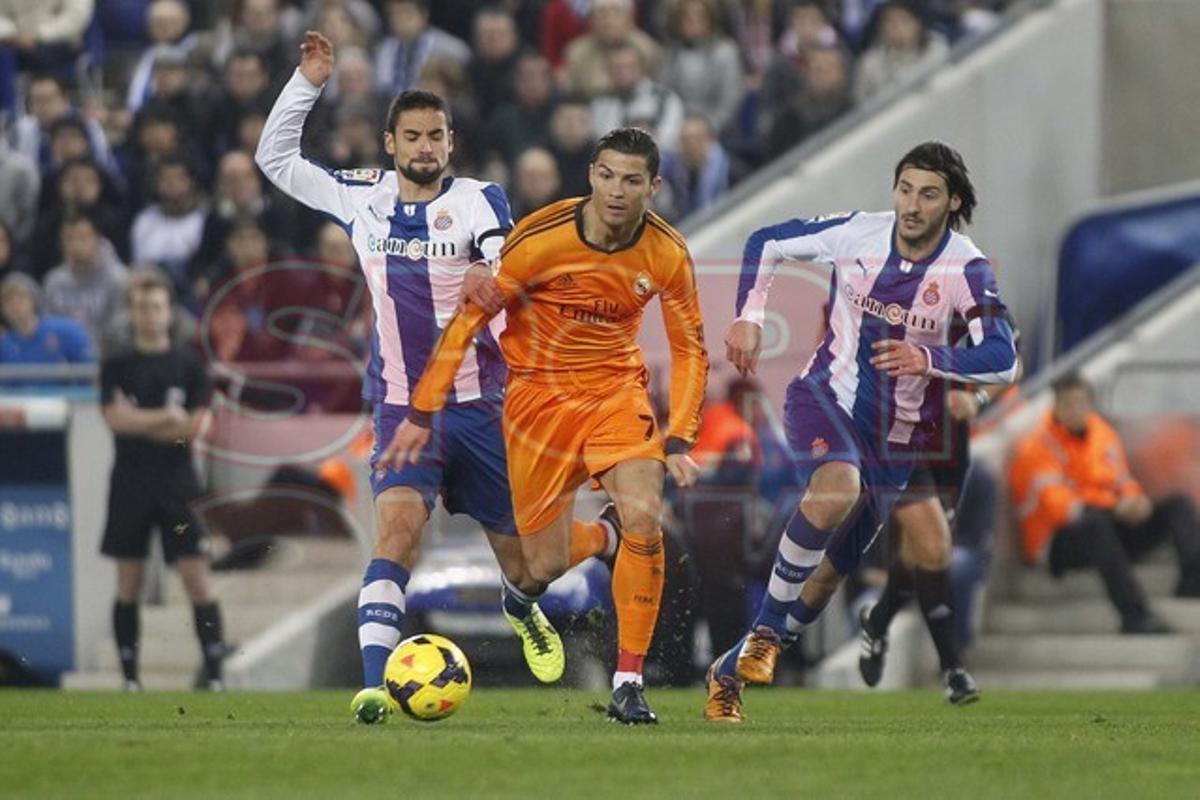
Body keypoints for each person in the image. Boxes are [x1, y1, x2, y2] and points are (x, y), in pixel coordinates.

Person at [256, 31, 620, 723]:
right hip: (400, 408)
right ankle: (372, 686)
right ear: (390, 144)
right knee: (395, 533)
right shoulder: (360, 197)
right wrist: (307, 82)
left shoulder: (482, 199)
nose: (425, 147)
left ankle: (530, 601)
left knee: (530, 567)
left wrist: (490, 270)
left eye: (437, 136)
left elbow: (497, 251)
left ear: (451, 144)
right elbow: (273, 159)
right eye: (413, 136)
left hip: (485, 409)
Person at [385, 127, 709, 724]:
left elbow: (690, 347)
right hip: (536, 405)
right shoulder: (539, 237)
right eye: (607, 175)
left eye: (632, 180)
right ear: (591, 174)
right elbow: (469, 320)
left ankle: (629, 682)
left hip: (616, 394)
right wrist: (424, 409)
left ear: (653, 187)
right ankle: (596, 545)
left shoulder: (667, 252)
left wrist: (682, 434)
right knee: (542, 567)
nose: (616, 191)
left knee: (645, 518)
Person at [706, 141, 1018, 722]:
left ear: (952, 202)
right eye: (905, 189)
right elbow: (766, 242)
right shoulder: (857, 232)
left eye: (928, 194)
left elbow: (1004, 358)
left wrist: (930, 362)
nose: (912, 205)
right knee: (835, 488)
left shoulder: (965, 269)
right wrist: (749, 317)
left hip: (897, 442)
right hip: (825, 396)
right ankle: (767, 635)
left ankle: (728, 673)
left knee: (823, 582)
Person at [98, 272, 229, 691]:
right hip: (130, 482)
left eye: (156, 306)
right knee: (128, 582)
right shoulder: (116, 366)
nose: (149, 315)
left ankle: (213, 673)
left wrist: (143, 423)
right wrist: (166, 419)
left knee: (197, 577)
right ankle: (131, 678)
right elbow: (114, 421)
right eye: (141, 307)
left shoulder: (189, 365)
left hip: (177, 484)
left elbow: (196, 429)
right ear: (132, 313)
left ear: (168, 312)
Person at [1009, 373, 1200, 633]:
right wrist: (1114, 507)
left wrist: (1135, 500)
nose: (1075, 410)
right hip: (1056, 543)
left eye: (1080, 403)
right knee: (1095, 525)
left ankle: (1193, 579)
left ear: (1090, 404)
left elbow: (1122, 480)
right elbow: (1060, 508)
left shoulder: (1102, 434)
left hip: (1109, 527)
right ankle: (1135, 615)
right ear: (1056, 405)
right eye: (1067, 404)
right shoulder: (1037, 447)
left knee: (1177, 504)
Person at [0, 272, 92, 380]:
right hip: (19, 396)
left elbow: (89, 371)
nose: (15, 305)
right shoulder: (4, 344)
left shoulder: (66, 331)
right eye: (8, 301)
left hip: (63, 395)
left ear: (33, 300)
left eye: (20, 298)